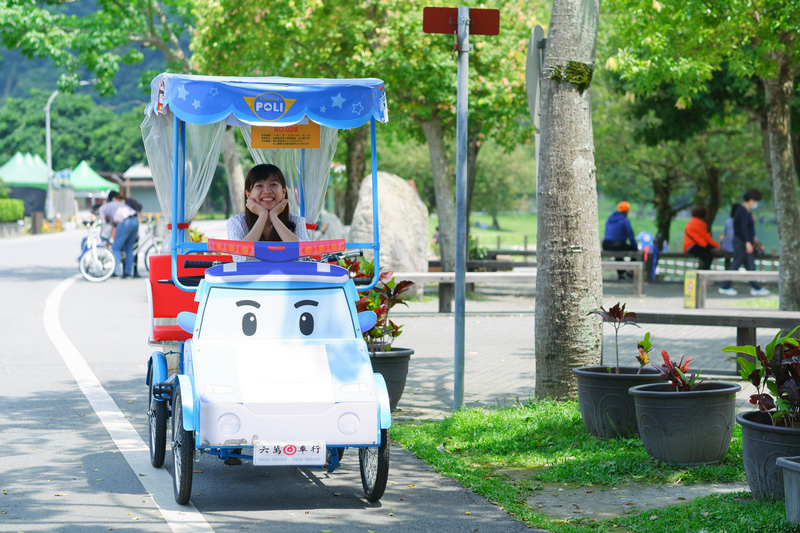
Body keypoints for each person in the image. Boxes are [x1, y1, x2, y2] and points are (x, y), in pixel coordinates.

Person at [226, 164, 310, 262]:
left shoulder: (297, 221)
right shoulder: (236, 222)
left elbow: (304, 256)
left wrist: (274, 217)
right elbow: (241, 258)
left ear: (283, 192)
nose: (267, 191)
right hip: (250, 277)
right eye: (259, 186)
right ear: (248, 194)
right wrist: (263, 216)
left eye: (273, 184)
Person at [718, 189, 770, 296]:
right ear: (751, 200)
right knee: (736, 263)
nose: (756, 204)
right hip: (741, 241)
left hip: (744, 241)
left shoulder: (746, 211)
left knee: (750, 264)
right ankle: (725, 286)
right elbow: (743, 228)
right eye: (756, 201)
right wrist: (747, 242)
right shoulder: (742, 211)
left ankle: (756, 287)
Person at [98, 190, 140, 278]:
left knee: (116, 247)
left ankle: (116, 271)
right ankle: (128, 272)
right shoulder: (116, 204)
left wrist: (106, 238)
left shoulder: (103, 208)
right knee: (129, 248)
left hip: (126, 222)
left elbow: (105, 225)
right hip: (135, 220)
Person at [602, 201, 638, 280]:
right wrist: (635, 248)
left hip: (605, 244)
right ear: (626, 211)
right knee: (633, 251)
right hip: (617, 244)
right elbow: (630, 235)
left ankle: (621, 274)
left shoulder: (610, 218)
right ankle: (631, 272)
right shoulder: (625, 220)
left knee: (618, 254)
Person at [683, 206, 720, 270]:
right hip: (694, 246)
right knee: (708, 258)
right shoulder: (700, 223)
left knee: (707, 256)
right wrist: (716, 246)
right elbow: (706, 238)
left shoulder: (691, 222)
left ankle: (702, 274)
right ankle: (704, 275)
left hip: (688, 246)